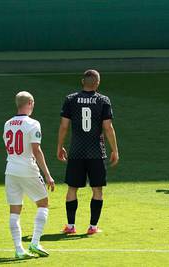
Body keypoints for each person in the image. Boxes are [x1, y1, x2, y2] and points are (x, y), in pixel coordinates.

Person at [58, 69, 119, 235]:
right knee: (97, 189)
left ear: (82, 81)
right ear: (97, 83)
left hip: (76, 151)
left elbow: (64, 126)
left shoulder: (71, 99)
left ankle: (70, 226)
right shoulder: (103, 101)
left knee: (72, 189)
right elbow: (108, 127)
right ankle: (93, 227)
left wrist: (59, 146)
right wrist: (115, 149)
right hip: (96, 152)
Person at [3, 91, 55, 259]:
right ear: (30, 103)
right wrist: (47, 175)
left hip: (10, 170)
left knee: (14, 210)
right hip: (28, 169)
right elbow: (36, 150)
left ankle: (19, 250)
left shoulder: (7, 124)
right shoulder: (33, 123)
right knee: (43, 203)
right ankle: (34, 242)